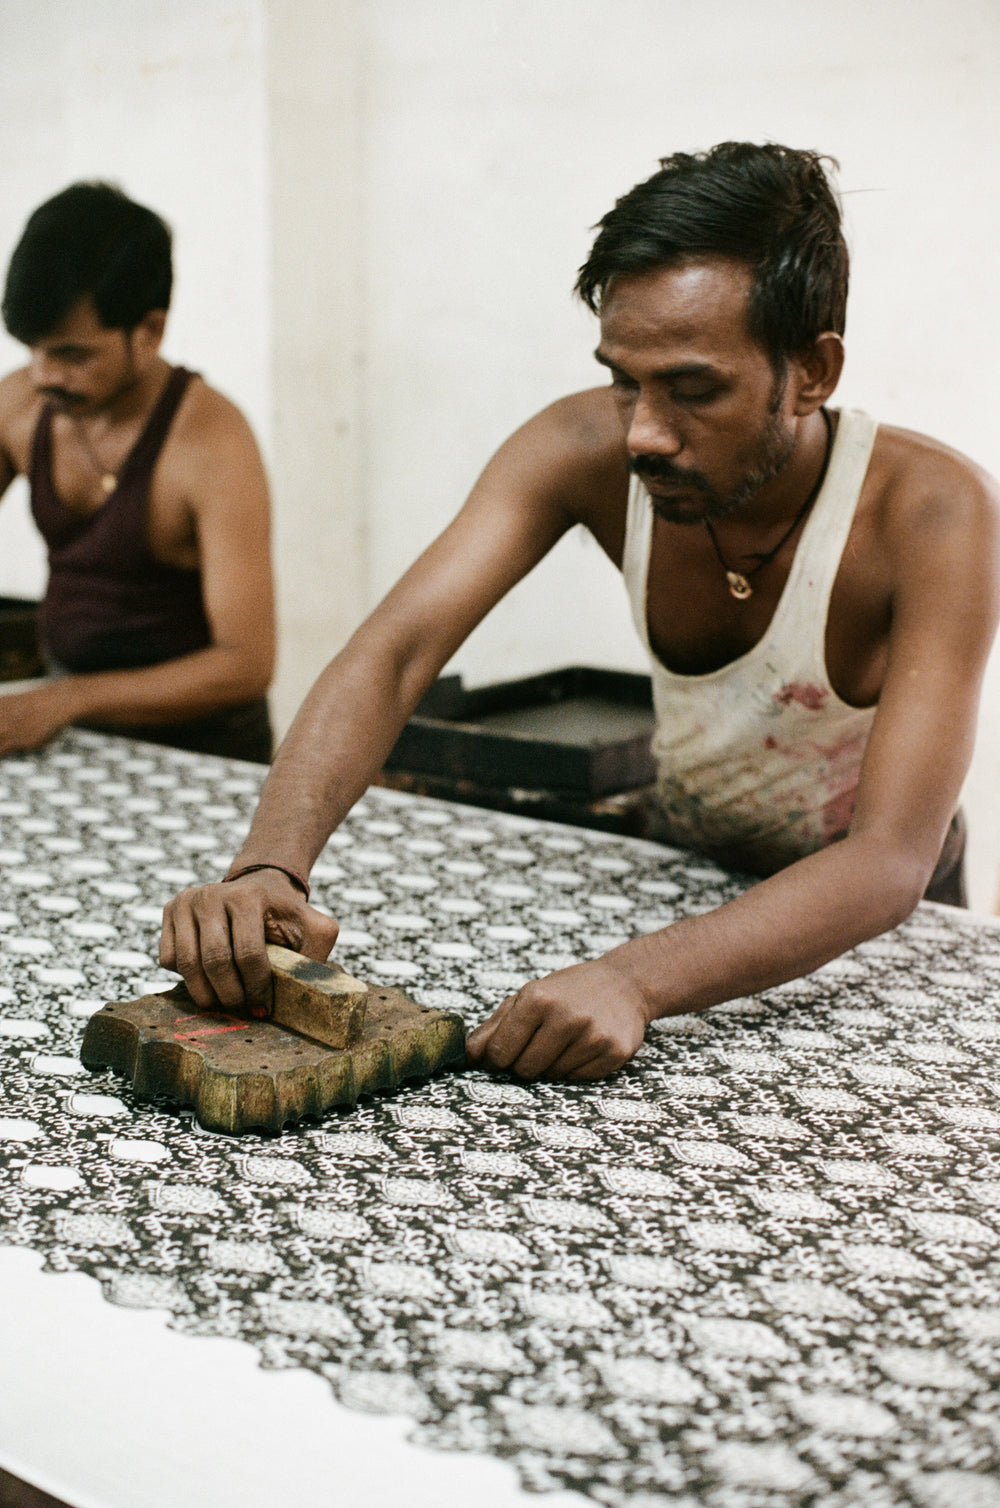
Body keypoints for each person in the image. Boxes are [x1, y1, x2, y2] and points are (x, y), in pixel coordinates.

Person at [160, 142, 1000, 1080]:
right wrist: (269, 865)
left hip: (875, 932)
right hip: (685, 865)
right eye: (622, 378)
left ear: (812, 371)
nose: (642, 429)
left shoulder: (934, 514)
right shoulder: (579, 448)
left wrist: (635, 981)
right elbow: (397, 653)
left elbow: (888, 858)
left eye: (693, 388)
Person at [0, 181, 275, 762]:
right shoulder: (21, 403)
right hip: (68, 737)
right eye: (33, 349)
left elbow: (246, 665)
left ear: (149, 332)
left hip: (205, 753)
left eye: (73, 354)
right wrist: (58, 703)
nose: (44, 375)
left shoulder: (212, 442)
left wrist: (63, 699)